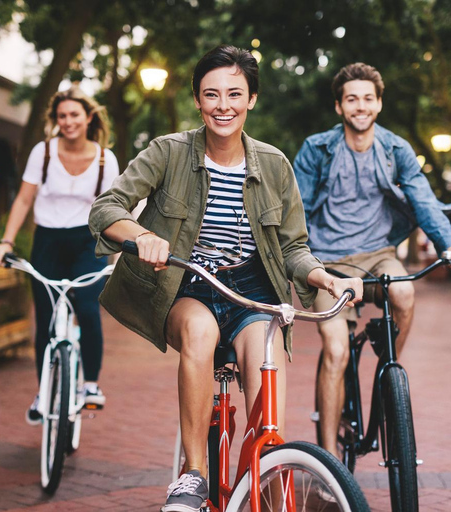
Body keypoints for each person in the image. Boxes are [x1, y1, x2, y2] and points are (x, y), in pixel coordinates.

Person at [89, 45, 363, 512]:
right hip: (187, 284)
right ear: (197, 100)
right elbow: (105, 209)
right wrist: (141, 235)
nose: (223, 105)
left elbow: (294, 247)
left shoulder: (275, 165)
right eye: (211, 94)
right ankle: (193, 475)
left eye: (235, 94)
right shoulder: (168, 151)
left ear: (252, 99)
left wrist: (323, 277)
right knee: (200, 330)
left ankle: (265, 475)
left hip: (252, 290)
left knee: (264, 383)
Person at [292, 62, 451, 457]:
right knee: (336, 351)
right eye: (351, 99)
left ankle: (385, 372)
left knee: (406, 295)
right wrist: (301, 263)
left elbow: (424, 201)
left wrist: (449, 245)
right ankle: (329, 465)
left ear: (379, 104)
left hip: (379, 255)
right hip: (329, 263)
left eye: (368, 99)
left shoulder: (395, 150)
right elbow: (297, 213)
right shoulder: (316, 149)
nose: (361, 106)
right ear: (339, 107)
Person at [0, 88, 119, 424]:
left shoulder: (106, 158)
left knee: (88, 308)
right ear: (56, 120)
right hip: (47, 241)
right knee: (45, 319)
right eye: (62, 116)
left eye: (74, 115)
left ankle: (90, 384)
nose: (68, 122)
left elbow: (116, 209)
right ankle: (44, 390)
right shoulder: (43, 152)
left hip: (88, 241)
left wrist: (121, 251)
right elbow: (23, 200)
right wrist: (6, 241)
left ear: (88, 117)